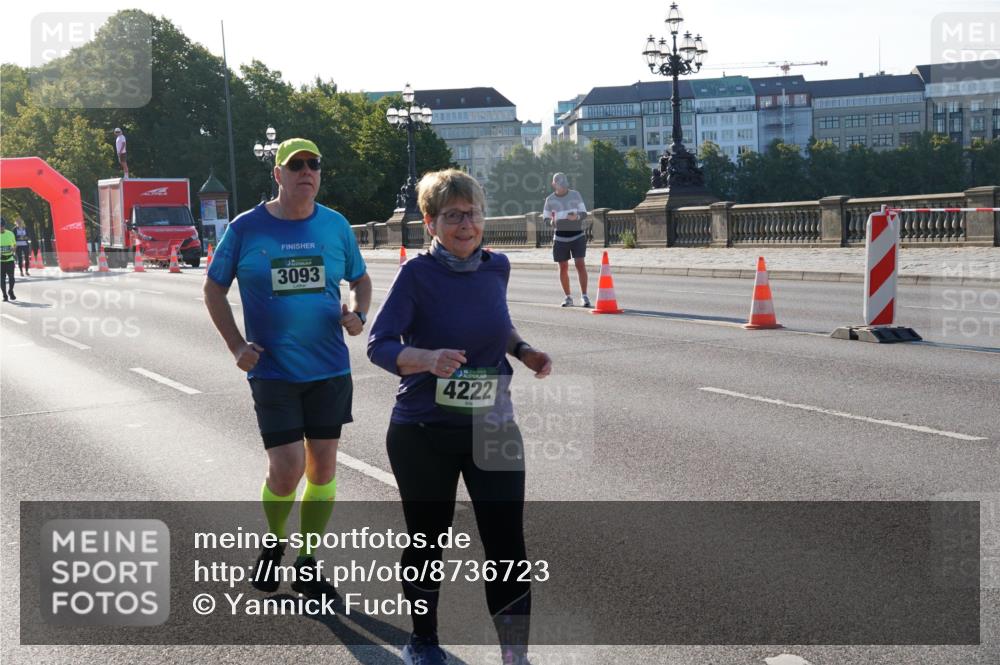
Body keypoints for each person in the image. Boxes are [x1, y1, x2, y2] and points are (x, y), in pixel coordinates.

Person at [368, 169, 552, 665]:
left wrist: (524, 349)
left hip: (493, 425)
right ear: (431, 222)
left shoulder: (498, 267)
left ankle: (516, 655)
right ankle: (423, 639)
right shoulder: (416, 276)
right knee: (428, 541)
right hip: (423, 431)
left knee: (507, 547)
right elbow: (378, 345)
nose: (465, 223)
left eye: (472, 213)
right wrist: (426, 359)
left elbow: (498, 322)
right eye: (452, 215)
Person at [203, 138, 372, 599]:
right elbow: (214, 289)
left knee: (322, 469)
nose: (306, 171)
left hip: (329, 369)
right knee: (287, 467)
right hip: (273, 371)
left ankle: (308, 560)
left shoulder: (335, 226)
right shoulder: (245, 228)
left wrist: (358, 314)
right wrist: (236, 345)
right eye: (295, 165)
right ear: (277, 174)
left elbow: (360, 279)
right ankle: (275, 541)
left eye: (313, 164)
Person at [542, 173, 589, 307]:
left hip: (577, 235)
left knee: (580, 264)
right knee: (563, 267)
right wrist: (552, 222)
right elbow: (545, 218)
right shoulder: (549, 199)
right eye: (560, 185)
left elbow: (584, 213)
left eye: (564, 185)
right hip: (560, 238)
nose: (563, 188)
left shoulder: (575, 195)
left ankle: (584, 296)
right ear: (554, 185)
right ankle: (568, 297)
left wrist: (577, 217)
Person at [0, 219, 16, 301]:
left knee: (12, 278)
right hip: (0, 261)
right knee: (2, 278)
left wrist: (13, 249)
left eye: (2, 226)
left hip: (10, 259)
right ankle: (4, 295)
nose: (0, 228)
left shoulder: (10, 234)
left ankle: (10, 291)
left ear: (4, 226)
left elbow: (14, 245)